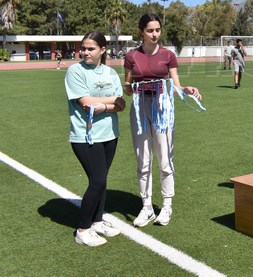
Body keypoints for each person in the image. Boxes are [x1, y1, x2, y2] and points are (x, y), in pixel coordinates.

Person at [124, 14, 202, 227]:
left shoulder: (168, 55)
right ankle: (147, 206)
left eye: (157, 30)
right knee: (143, 159)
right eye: (150, 30)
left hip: (162, 106)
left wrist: (186, 89)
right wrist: (130, 88)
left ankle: (167, 205)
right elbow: (127, 88)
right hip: (140, 107)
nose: (155, 34)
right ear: (141, 32)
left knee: (165, 158)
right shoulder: (131, 56)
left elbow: (175, 86)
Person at [65, 31, 126, 246]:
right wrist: (112, 100)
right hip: (86, 136)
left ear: (102, 50)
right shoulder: (75, 71)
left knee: (102, 180)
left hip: (110, 134)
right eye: (83, 48)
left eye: (90, 49)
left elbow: (122, 105)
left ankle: (97, 221)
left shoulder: (110, 72)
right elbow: (86, 102)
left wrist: (105, 106)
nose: (85, 52)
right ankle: (83, 230)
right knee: (97, 180)